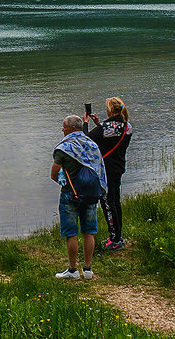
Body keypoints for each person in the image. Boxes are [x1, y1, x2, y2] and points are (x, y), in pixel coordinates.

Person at [50, 114, 108, 280]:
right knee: (89, 232)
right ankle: (88, 270)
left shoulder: (64, 148)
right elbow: (99, 168)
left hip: (70, 194)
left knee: (71, 233)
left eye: (64, 127)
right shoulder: (92, 144)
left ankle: (72, 270)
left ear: (72, 128)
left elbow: (54, 174)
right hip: (90, 193)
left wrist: (64, 183)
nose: (62, 129)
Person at [88, 97, 132, 250]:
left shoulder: (106, 127)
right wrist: (99, 124)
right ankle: (118, 236)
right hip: (119, 167)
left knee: (107, 203)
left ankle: (114, 239)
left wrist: (87, 123)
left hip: (106, 170)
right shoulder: (127, 126)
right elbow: (111, 139)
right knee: (116, 201)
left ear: (110, 110)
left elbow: (86, 139)